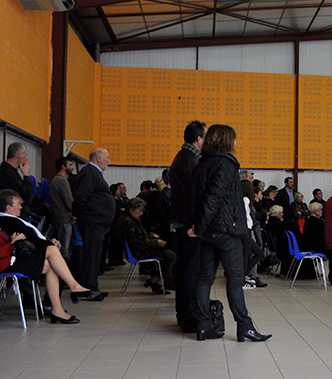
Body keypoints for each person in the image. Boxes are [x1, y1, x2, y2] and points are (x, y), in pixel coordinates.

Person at [189, 124, 270, 342]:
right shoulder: (225, 165)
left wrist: (199, 227)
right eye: (233, 140)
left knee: (205, 277)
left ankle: (204, 326)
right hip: (227, 231)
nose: (236, 143)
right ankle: (245, 326)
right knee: (235, 279)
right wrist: (200, 226)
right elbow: (214, 199)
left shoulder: (201, 164)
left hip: (209, 232)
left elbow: (196, 199)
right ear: (225, 141)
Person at [0, 189, 90, 324]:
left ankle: (57, 309)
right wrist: (12, 243)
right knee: (50, 250)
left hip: (8, 260)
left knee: (52, 266)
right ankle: (73, 286)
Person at [169, 120, 205, 332]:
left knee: (186, 269)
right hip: (189, 223)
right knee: (190, 271)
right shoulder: (190, 160)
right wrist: (196, 223)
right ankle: (188, 317)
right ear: (198, 139)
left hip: (183, 221)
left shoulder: (184, 157)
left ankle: (185, 315)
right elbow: (194, 196)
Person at [71, 148, 114, 302]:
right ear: (98, 158)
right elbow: (82, 195)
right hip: (92, 221)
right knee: (91, 255)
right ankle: (88, 288)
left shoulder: (92, 172)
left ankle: (91, 286)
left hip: (96, 221)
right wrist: (75, 214)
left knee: (94, 255)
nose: (108, 160)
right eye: (106, 157)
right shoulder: (90, 172)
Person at [116, 197, 177, 294]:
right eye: (139, 211)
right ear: (132, 210)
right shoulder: (129, 223)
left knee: (168, 254)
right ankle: (157, 282)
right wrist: (156, 243)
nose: (141, 213)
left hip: (139, 249)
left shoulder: (129, 220)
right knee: (170, 255)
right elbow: (139, 243)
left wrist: (149, 235)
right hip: (139, 252)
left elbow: (139, 238)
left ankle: (155, 280)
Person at [0, 142, 33, 212]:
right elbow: (28, 197)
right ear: (19, 155)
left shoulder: (11, 171)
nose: (26, 159)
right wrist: (26, 175)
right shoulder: (7, 172)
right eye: (25, 155)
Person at [50, 157, 75, 259]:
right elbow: (69, 201)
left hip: (61, 218)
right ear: (63, 167)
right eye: (70, 165)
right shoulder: (61, 181)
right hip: (64, 219)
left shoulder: (57, 180)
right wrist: (74, 213)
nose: (72, 167)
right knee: (65, 249)